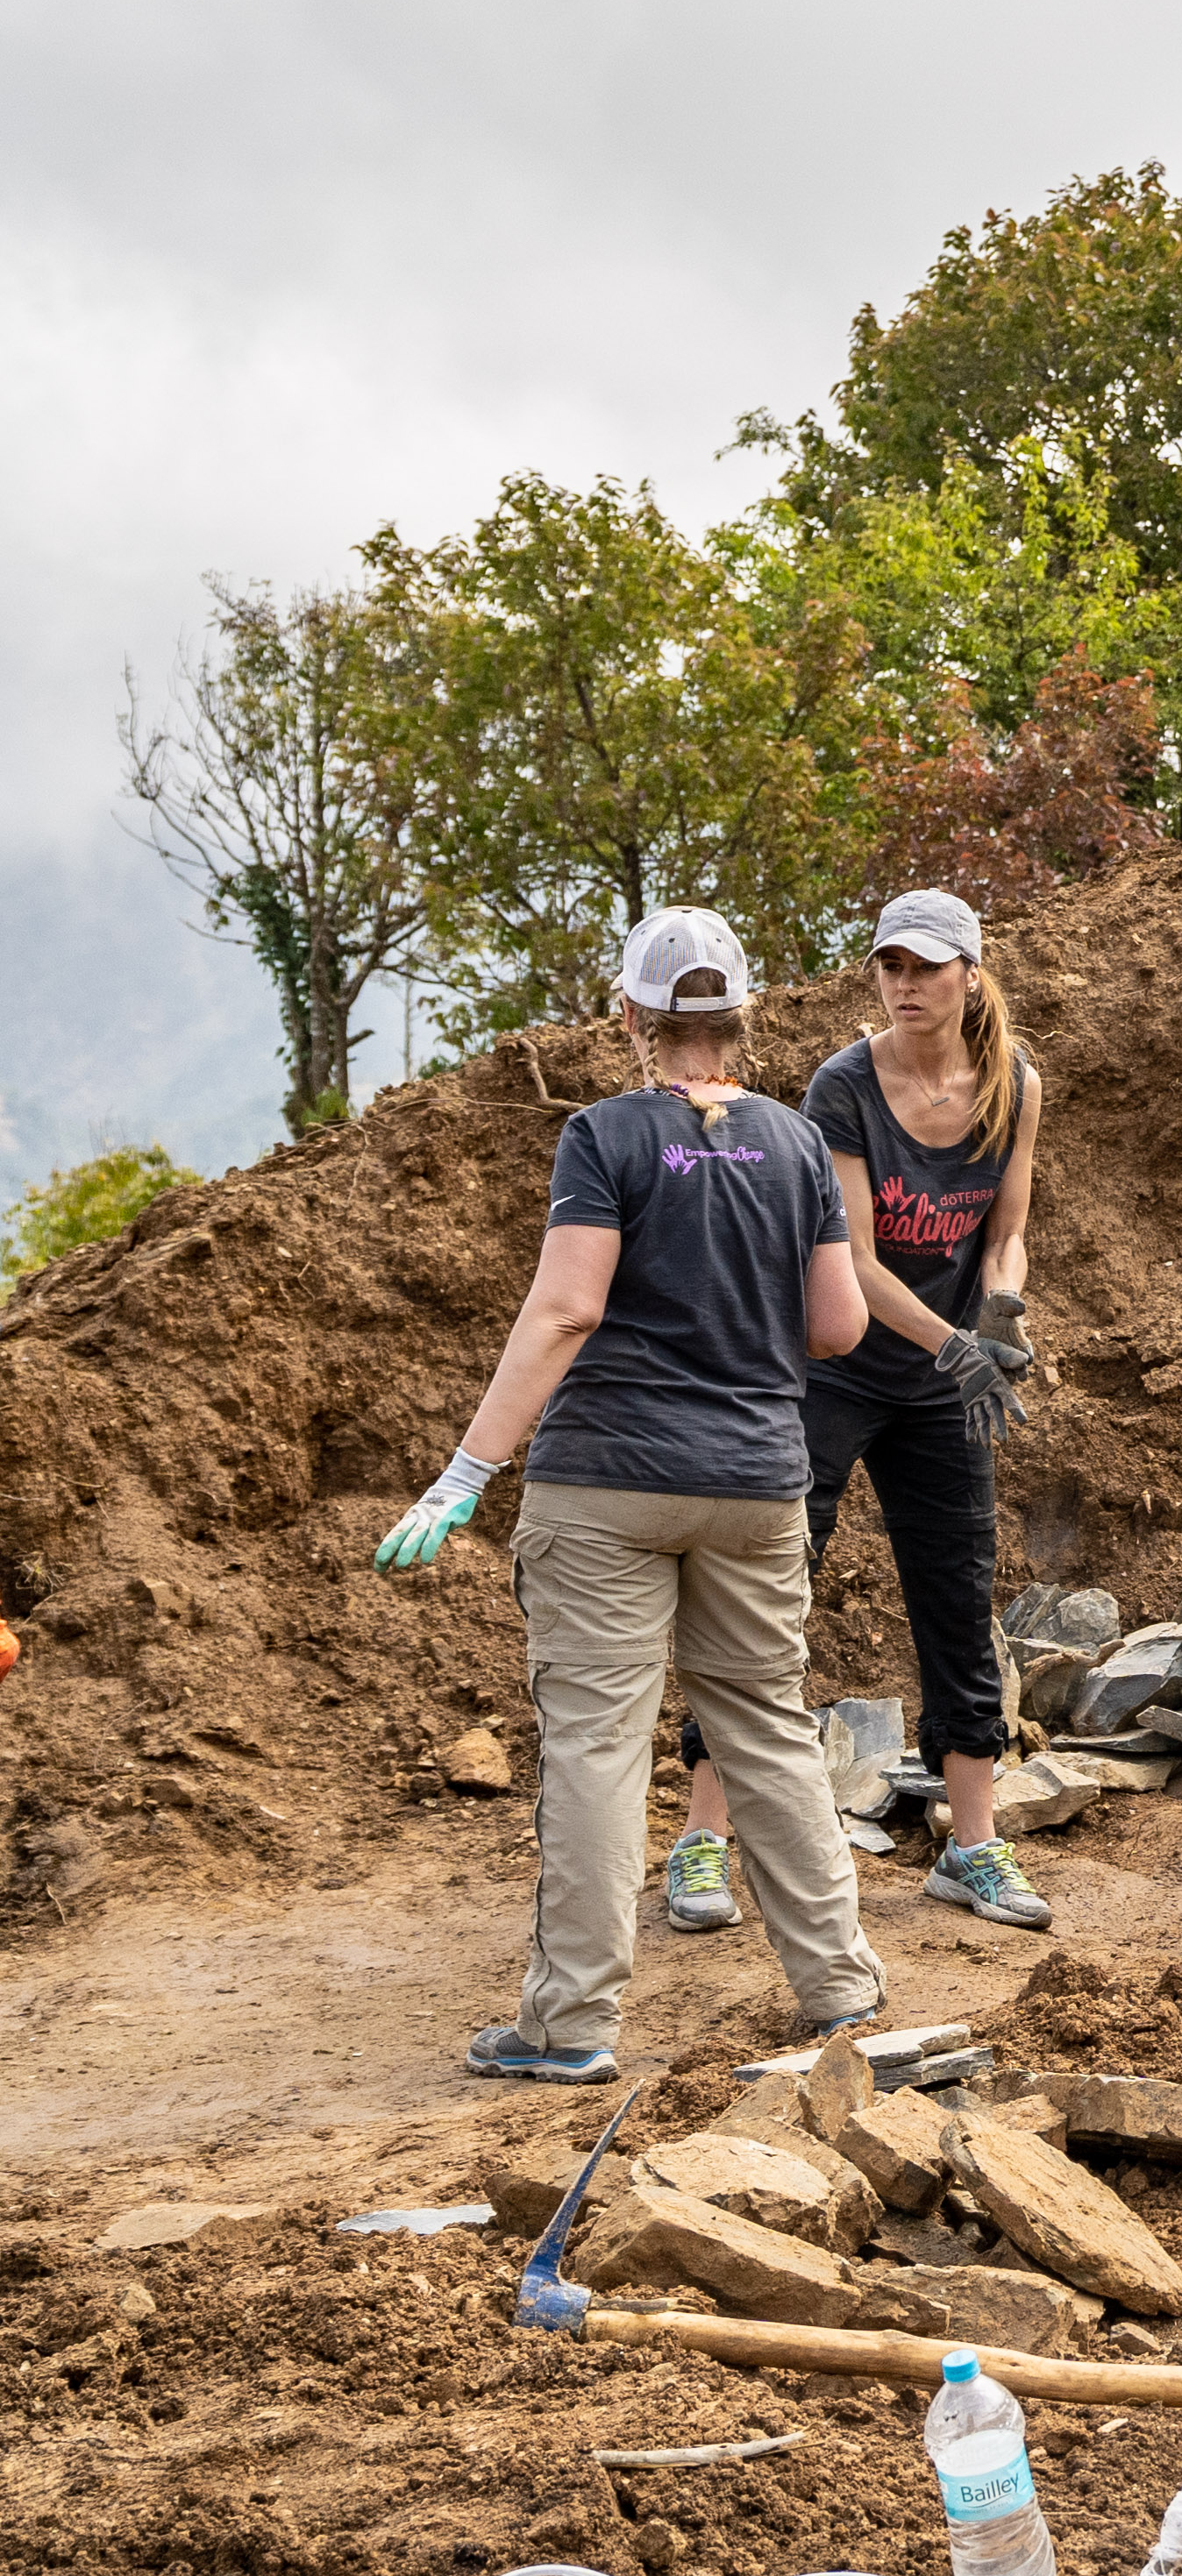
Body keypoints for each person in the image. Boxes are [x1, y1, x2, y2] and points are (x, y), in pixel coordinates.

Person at [375, 909, 884, 2082]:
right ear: (743, 1020)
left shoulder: (604, 1137)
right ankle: (843, 1993)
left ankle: (571, 2028)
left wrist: (466, 1472)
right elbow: (840, 1325)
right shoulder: (799, 1144)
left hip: (606, 1480)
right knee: (765, 1730)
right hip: (758, 1485)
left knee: (600, 1746)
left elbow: (565, 1311)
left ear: (633, 1019)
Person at [655, 888, 1052, 1941]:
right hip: (831, 1369)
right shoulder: (844, 1084)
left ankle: (970, 1848)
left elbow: (1007, 1230)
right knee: (769, 1596)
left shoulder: (1014, 1080)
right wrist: (957, 1345)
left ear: (972, 971)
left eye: (927, 966)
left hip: (947, 1387)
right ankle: (704, 1839)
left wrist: (1003, 1312)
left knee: (960, 1603)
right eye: (890, 965)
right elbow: (859, 1263)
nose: (906, 984)